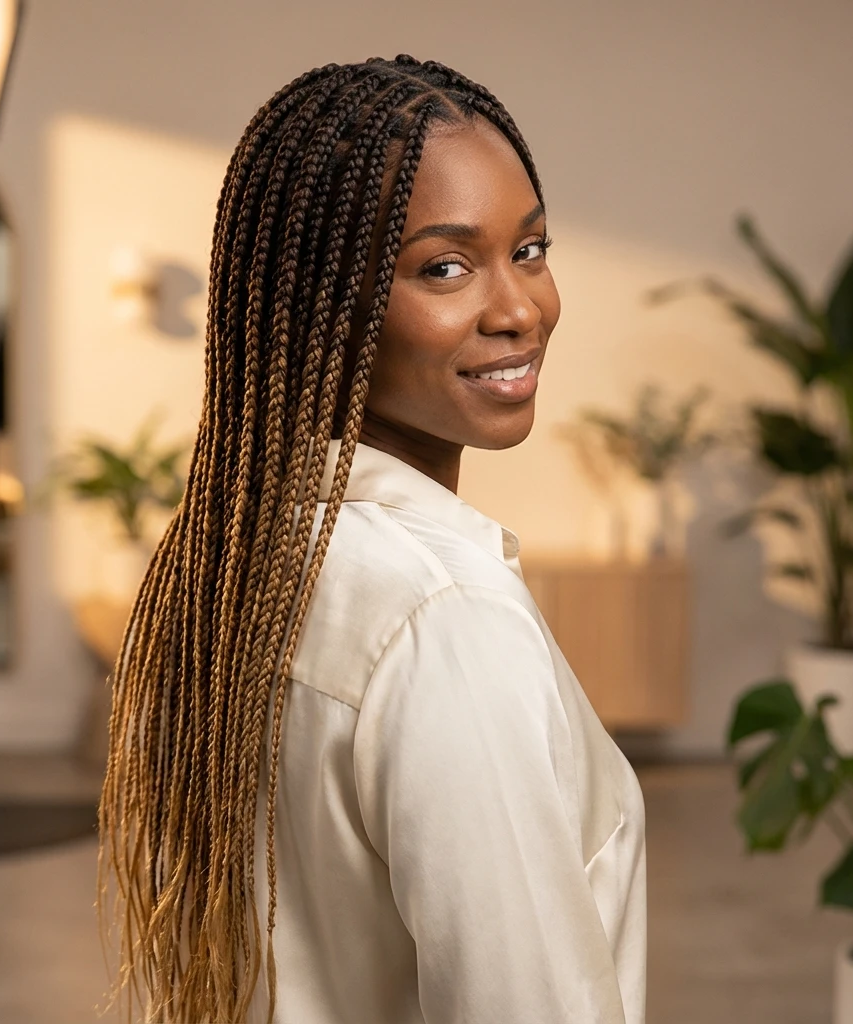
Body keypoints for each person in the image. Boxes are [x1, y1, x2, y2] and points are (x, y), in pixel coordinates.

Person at [98, 54, 647, 1024]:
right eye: (444, 267)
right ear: (326, 304)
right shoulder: (443, 622)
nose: (520, 309)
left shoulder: (229, 563)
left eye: (529, 249)